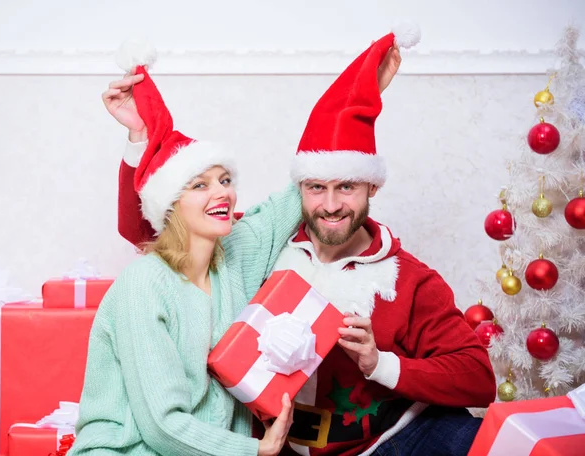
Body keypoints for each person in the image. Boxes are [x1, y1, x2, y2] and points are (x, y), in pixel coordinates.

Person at [117, 26, 495, 456]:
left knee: (466, 435)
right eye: (316, 187)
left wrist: (380, 364)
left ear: (372, 187)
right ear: (299, 190)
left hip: (387, 443)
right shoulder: (256, 248)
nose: (331, 205)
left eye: (347, 187)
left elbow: (478, 379)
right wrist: (139, 139)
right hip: (279, 447)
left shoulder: (407, 278)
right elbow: (155, 232)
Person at [68, 52, 302, 456]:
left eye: (225, 180)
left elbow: (303, 190)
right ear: (170, 205)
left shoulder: (234, 257)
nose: (223, 193)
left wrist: (364, 97)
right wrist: (256, 451)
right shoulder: (144, 284)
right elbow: (161, 428)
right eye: (200, 185)